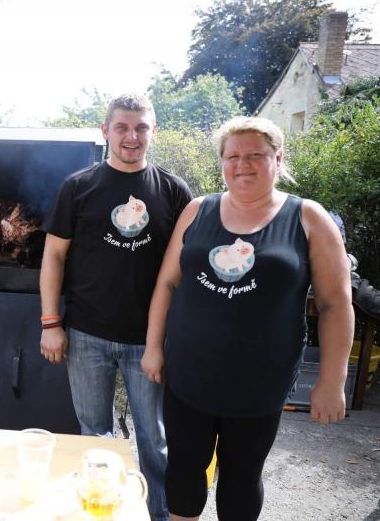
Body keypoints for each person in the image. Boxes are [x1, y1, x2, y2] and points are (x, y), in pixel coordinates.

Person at [141, 116, 354, 520]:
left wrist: (332, 381)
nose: (243, 164)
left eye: (255, 155)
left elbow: (335, 303)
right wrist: (153, 346)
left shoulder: (308, 218)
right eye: (233, 156)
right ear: (222, 162)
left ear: (278, 158)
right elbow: (167, 282)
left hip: (259, 383)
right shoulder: (197, 210)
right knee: (184, 470)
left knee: (241, 476)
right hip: (188, 375)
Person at [40, 93, 192, 521]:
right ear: (105, 130)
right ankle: (102, 512)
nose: (131, 136)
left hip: (149, 340)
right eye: (122, 127)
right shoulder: (78, 187)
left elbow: (185, 267)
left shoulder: (174, 191)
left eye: (141, 127)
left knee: (154, 439)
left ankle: (159, 514)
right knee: (95, 437)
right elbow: (53, 256)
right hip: (86, 335)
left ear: (153, 131)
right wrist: (50, 322)